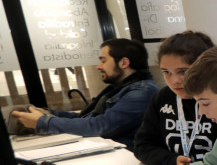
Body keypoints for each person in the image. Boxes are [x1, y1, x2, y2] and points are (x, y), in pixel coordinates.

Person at [12, 38, 157, 151]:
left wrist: (43, 122)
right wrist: (49, 114)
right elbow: (86, 117)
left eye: (103, 61)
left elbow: (100, 126)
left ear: (124, 63)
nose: (98, 66)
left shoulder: (141, 92)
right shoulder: (119, 88)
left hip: (126, 159)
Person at [133, 31, 217, 165]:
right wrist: (172, 160)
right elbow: (142, 146)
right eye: (166, 72)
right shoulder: (163, 98)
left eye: (183, 71)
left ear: (205, 67)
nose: (175, 81)